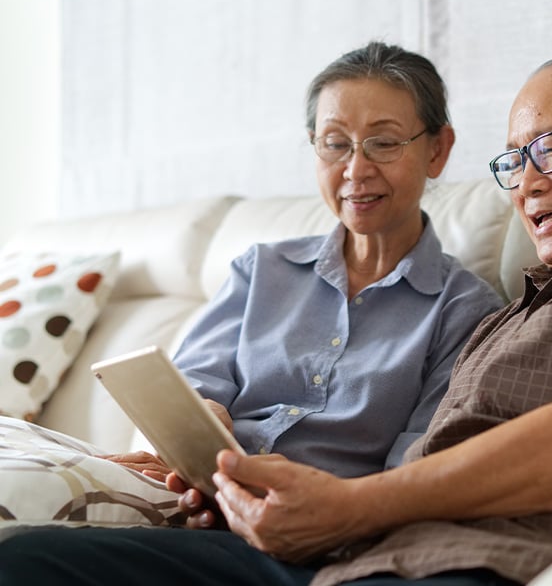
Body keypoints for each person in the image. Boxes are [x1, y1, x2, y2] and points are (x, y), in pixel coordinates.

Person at [0, 53, 552, 586]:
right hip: (349, 560)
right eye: (513, 162)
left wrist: (345, 509)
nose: (524, 184)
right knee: (32, 562)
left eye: (550, 149)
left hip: (467, 564)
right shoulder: (513, 312)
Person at [101, 40, 502, 486]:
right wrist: (200, 424)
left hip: (319, 534)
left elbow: (414, 470)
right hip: (205, 496)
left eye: (383, 143)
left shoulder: (465, 310)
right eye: (335, 144)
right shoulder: (261, 270)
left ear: (437, 150)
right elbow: (194, 382)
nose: (355, 170)